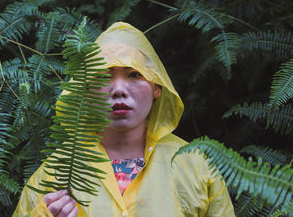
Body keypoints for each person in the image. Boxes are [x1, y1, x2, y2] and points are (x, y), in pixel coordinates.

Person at [13, 22, 235, 217]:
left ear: (157, 87)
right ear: (87, 91)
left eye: (134, 74)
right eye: (103, 76)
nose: (118, 89)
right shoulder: (56, 172)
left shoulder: (194, 166)